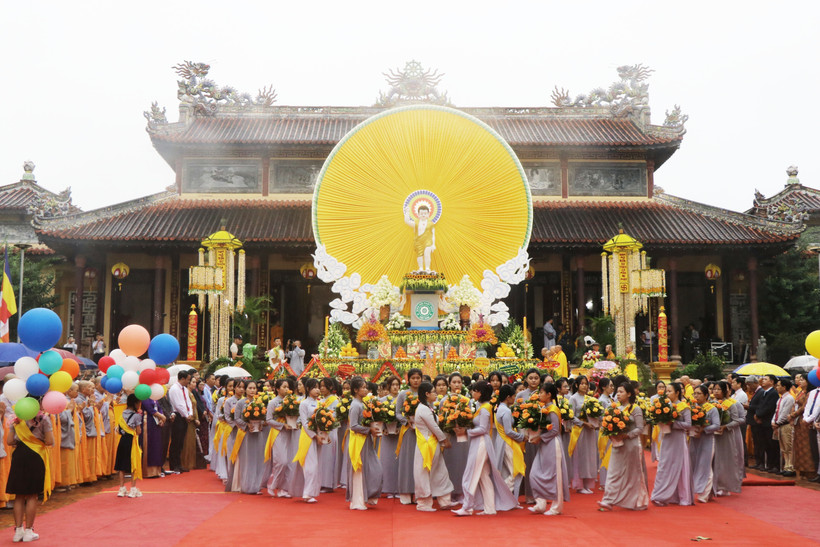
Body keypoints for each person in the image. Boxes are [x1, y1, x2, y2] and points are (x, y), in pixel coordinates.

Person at [452, 380, 517, 516]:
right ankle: (490, 508)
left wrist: (466, 432)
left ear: (480, 393)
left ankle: (467, 507)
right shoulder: (482, 406)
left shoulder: (486, 408)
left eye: (475, 391)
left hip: (481, 442)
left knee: (471, 474)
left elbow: (483, 429)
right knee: (483, 476)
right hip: (479, 442)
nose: (472, 393)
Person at [598, 382, 648, 511]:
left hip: (631, 445)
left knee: (633, 474)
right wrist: (611, 434)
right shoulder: (615, 409)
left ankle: (636, 501)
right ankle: (608, 499)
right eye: (617, 392)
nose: (618, 394)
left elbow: (640, 428)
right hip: (617, 444)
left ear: (629, 394)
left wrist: (627, 435)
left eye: (621, 392)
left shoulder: (635, 409)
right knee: (613, 472)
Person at [7, 407, 54, 542]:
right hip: (36, 455)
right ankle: (29, 531)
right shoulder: (44, 419)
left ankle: (18, 531)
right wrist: (35, 441)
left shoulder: (16, 420)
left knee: (19, 495)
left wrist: (23, 441)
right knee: (32, 494)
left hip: (19, 455)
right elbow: (50, 441)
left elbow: (10, 441)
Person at [527, 382, 569, 515]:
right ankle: (540, 503)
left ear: (549, 395)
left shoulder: (553, 410)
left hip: (552, 445)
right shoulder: (543, 408)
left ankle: (556, 507)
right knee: (535, 473)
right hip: (544, 444)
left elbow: (555, 430)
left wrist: (539, 437)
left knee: (554, 476)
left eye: (541, 392)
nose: (539, 395)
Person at [651, 382, 693, 506]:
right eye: (666, 391)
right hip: (667, 438)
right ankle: (660, 495)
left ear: (677, 392)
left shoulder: (684, 407)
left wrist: (673, 424)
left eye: (669, 391)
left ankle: (679, 496)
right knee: (663, 466)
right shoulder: (664, 406)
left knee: (679, 466)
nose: (667, 393)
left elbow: (688, 424)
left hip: (678, 440)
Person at [413, 381, 453, 511]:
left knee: (440, 471)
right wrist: (444, 440)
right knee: (423, 473)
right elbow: (434, 427)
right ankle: (424, 503)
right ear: (427, 394)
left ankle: (445, 500)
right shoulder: (423, 409)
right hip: (426, 445)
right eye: (434, 392)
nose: (436, 394)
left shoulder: (426, 407)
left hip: (431, 443)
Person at [346, 377, 383, 510]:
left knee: (372, 468)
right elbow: (353, 425)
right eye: (363, 387)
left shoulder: (362, 403)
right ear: (355, 390)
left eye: (366, 387)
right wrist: (369, 429)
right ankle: (357, 500)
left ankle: (368, 496)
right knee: (359, 470)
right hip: (358, 441)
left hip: (365, 439)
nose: (366, 389)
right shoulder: (355, 405)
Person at [230, 379, 271, 494]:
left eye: (254, 388)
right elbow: (236, 418)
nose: (252, 390)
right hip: (246, 435)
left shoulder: (260, 402)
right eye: (250, 388)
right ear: (245, 389)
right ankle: (247, 486)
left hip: (258, 434)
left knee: (258, 459)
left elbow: (265, 417)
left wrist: (262, 424)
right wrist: (246, 425)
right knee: (247, 460)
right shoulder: (241, 403)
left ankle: (256, 486)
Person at [290, 378, 321, 503]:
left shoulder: (320, 403)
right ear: (308, 389)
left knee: (316, 465)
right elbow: (305, 423)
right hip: (307, 437)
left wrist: (324, 434)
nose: (318, 390)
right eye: (315, 387)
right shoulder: (304, 403)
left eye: (318, 387)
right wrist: (315, 435)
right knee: (310, 466)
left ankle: (311, 491)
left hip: (318, 437)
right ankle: (307, 493)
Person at [713, 380, 746, 496]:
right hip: (713, 436)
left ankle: (725, 486)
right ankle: (714, 485)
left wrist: (725, 426)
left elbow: (738, 420)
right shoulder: (711, 403)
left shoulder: (732, 404)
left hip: (726, 435)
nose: (716, 392)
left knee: (725, 460)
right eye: (714, 389)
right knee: (714, 460)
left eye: (718, 389)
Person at [439, 372, 468, 503]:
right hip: (449, 436)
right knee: (449, 464)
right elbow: (440, 421)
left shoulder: (467, 400)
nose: (457, 384)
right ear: (449, 384)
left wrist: (464, 428)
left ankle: (461, 492)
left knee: (462, 464)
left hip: (462, 437)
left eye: (459, 382)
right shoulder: (443, 401)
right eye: (454, 382)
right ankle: (449, 493)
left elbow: (470, 419)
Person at [395, 368, 422, 505]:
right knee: (407, 461)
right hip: (407, 432)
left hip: (421, 433)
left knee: (420, 463)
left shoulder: (425, 392)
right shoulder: (403, 394)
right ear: (408, 379)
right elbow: (398, 413)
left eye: (418, 378)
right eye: (413, 378)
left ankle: (418, 492)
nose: (416, 380)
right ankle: (405, 492)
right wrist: (407, 421)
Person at [266, 378, 296, 498]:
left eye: (288, 387)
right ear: (277, 389)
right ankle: (272, 483)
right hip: (278, 433)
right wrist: (282, 425)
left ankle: (284, 488)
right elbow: (268, 420)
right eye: (284, 387)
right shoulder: (273, 402)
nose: (286, 389)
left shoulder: (292, 402)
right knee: (281, 461)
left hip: (290, 433)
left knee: (289, 462)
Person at [493, 384, 525, 496]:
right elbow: (508, 431)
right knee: (516, 471)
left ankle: (506, 496)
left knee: (509, 470)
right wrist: (521, 437)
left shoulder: (499, 408)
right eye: (513, 396)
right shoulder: (505, 411)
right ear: (508, 397)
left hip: (502, 441)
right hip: (507, 442)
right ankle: (502, 493)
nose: (514, 398)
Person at [689, 385, 719, 502]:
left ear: (706, 395)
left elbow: (716, 425)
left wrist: (704, 429)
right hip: (694, 440)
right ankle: (698, 490)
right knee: (695, 464)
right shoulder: (692, 408)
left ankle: (704, 494)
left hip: (707, 440)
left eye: (699, 393)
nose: (696, 396)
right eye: (694, 393)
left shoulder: (712, 409)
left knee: (705, 465)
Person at [568, 376, 598, 494]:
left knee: (589, 456)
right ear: (576, 385)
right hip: (579, 430)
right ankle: (579, 484)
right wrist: (583, 423)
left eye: (586, 384)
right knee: (580, 456)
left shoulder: (589, 398)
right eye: (582, 384)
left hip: (589, 430)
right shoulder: (573, 398)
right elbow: (571, 415)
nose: (584, 386)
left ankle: (587, 483)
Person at [115, 394, 143, 499]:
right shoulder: (137, 416)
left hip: (122, 441)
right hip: (132, 441)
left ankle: (121, 488)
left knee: (121, 464)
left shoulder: (121, 413)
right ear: (136, 403)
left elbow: (119, 430)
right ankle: (133, 489)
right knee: (133, 464)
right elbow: (139, 431)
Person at [168, 370, 194, 474]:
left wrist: (190, 413)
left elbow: (188, 401)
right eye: (188, 379)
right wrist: (186, 414)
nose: (188, 381)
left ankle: (179, 464)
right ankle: (174, 465)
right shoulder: (174, 389)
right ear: (182, 379)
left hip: (185, 416)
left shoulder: (184, 389)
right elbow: (178, 405)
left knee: (181, 442)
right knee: (176, 441)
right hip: (178, 416)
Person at [379, 376, 401, 498]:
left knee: (398, 461)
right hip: (386, 435)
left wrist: (399, 427)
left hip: (399, 435)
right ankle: (387, 488)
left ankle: (398, 488)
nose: (395, 387)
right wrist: (383, 428)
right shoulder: (382, 400)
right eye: (393, 385)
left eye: (397, 384)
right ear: (388, 386)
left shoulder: (402, 399)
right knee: (386, 461)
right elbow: (378, 417)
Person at [318, 378, 340, 492]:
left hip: (330, 431)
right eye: (320, 386)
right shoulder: (321, 400)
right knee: (322, 457)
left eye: (324, 386)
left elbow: (334, 416)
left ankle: (329, 484)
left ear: (330, 387)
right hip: (322, 431)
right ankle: (322, 482)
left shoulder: (334, 400)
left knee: (329, 458)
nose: (321, 388)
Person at [772, 378, 795, 476]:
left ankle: (790, 467)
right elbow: (777, 411)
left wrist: (777, 422)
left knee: (788, 446)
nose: (777, 387)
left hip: (785, 424)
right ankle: (786, 466)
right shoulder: (780, 398)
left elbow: (785, 412)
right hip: (779, 424)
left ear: (784, 387)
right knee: (783, 447)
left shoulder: (789, 398)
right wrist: (773, 421)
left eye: (778, 385)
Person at [756, 374, 780, 472]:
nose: (763, 381)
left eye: (766, 379)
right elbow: (760, 405)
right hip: (763, 422)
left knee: (772, 445)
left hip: (768, 421)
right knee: (766, 444)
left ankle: (775, 465)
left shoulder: (773, 393)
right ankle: (769, 464)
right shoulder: (764, 392)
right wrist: (757, 414)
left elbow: (769, 407)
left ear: (772, 382)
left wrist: (759, 415)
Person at [404, 204, 436, 272]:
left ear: (428, 214)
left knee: (427, 253)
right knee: (420, 255)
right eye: (421, 213)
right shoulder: (416, 223)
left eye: (425, 213)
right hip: (418, 242)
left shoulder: (431, 224)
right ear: (418, 214)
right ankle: (421, 268)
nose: (423, 215)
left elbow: (433, 235)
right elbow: (407, 221)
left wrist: (433, 244)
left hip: (428, 241)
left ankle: (427, 268)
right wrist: (407, 212)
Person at [142, 394, 166, 478]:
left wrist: (161, 419)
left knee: (157, 445)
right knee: (149, 445)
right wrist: (162, 416)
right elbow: (150, 409)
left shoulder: (155, 396)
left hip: (156, 423)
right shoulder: (144, 396)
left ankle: (157, 471)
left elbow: (159, 408)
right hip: (148, 422)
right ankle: (148, 471)